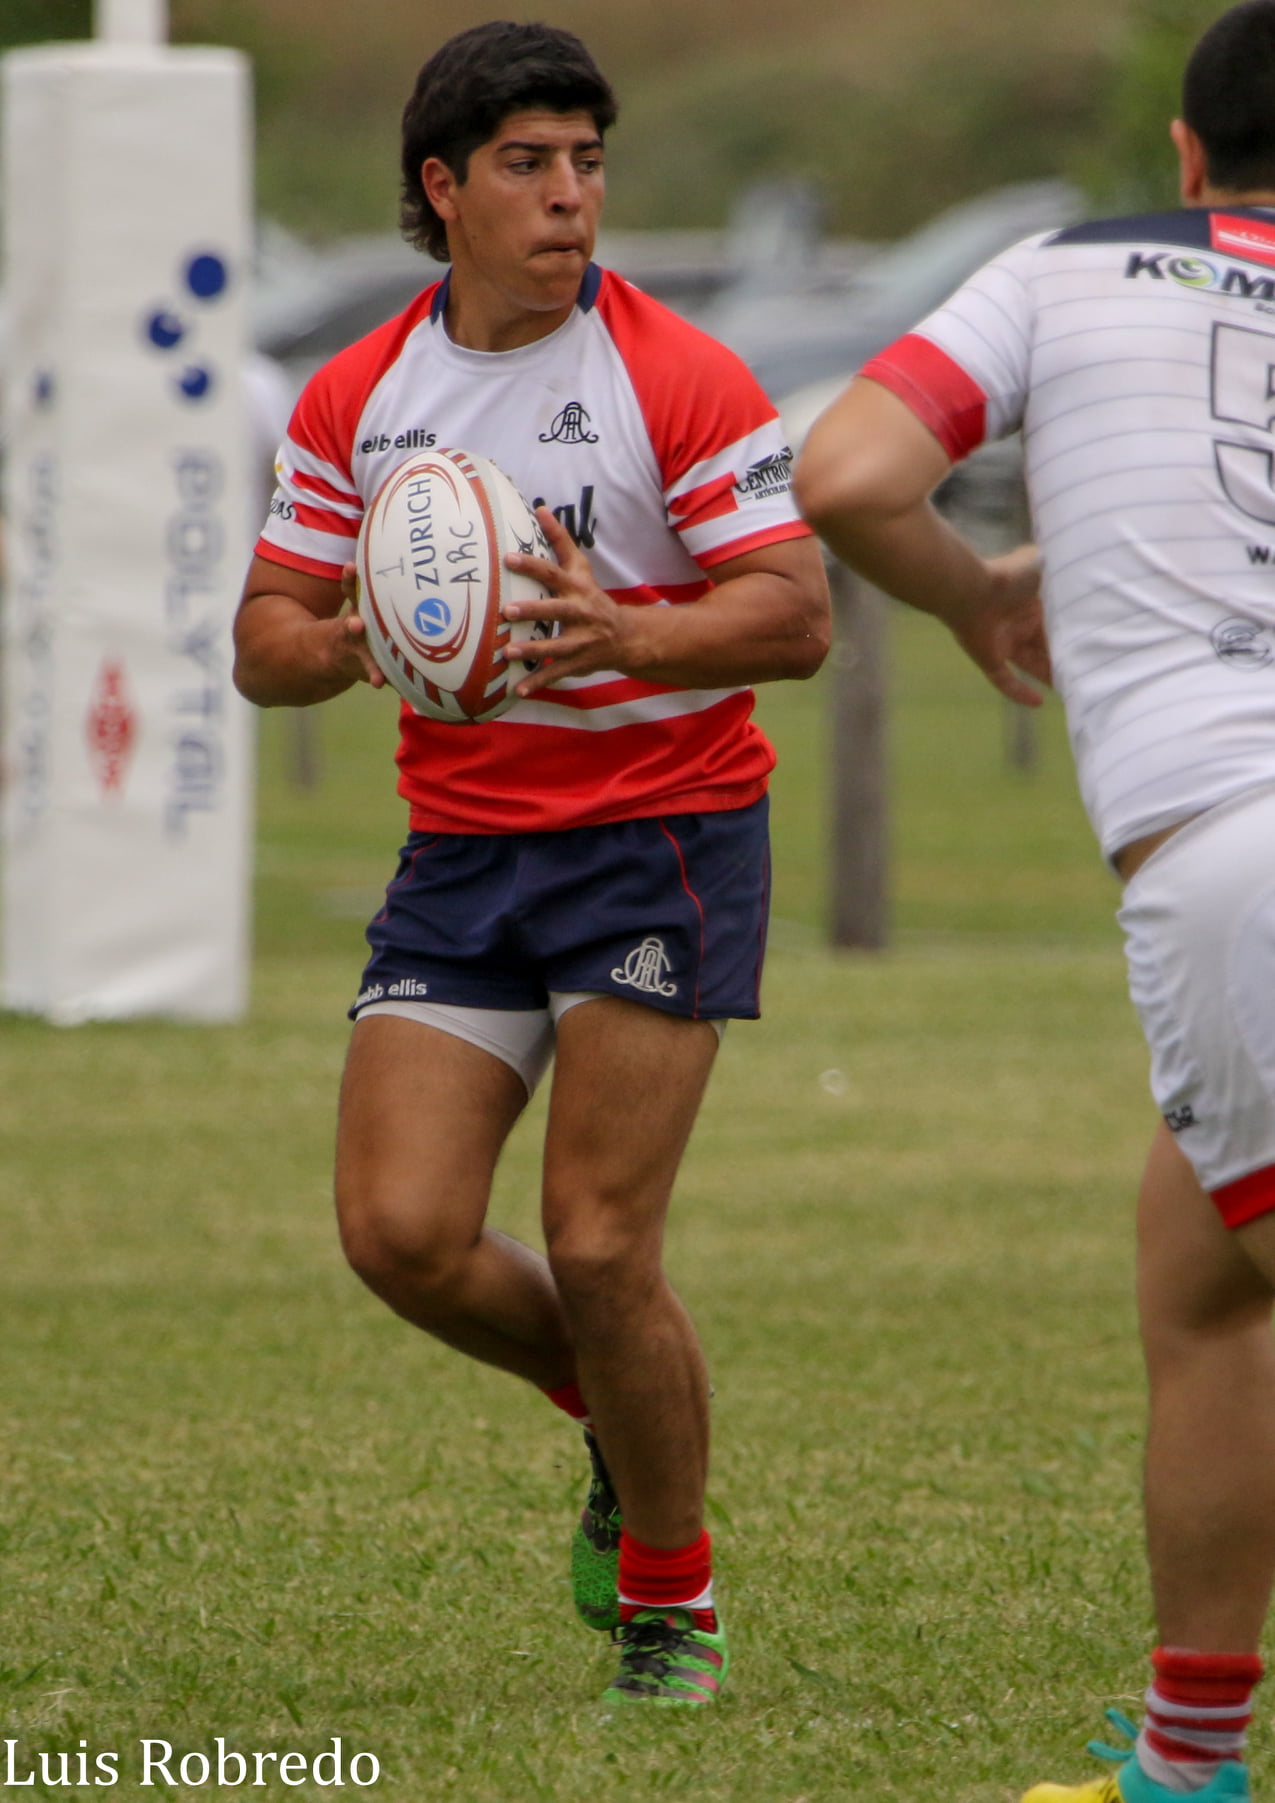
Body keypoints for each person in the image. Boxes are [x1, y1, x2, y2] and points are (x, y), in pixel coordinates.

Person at [233, 20, 830, 1707]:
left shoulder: (680, 374)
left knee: (596, 1241)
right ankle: (616, 1424)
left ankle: (671, 1597)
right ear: (444, 189)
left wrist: (620, 630)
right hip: (467, 847)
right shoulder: (358, 396)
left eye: (586, 161)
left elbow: (795, 615)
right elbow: (261, 641)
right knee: (401, 1233)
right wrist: (361, 633)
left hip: (661, 836)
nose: (571, 199)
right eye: (527, 165)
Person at [796, 3, 1275, 1796]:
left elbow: (849, 475)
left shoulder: (1067, 274)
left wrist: (977, 596)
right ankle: (1189, 1761)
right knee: (1203, 1273)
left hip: (1236, 849)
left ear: (1182, 151)